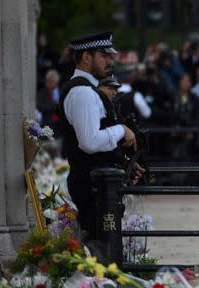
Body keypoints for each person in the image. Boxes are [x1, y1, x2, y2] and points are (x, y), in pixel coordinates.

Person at [58, 32, 143, 242]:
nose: (110, 61)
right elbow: (89, 142)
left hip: (98, 183)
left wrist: (123, 163)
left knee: (105, 248)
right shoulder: (82, 92)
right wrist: (122, 131)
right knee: (101, 250)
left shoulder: (88, 90)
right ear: (87, 57)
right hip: (91, 185)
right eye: (104, 55)